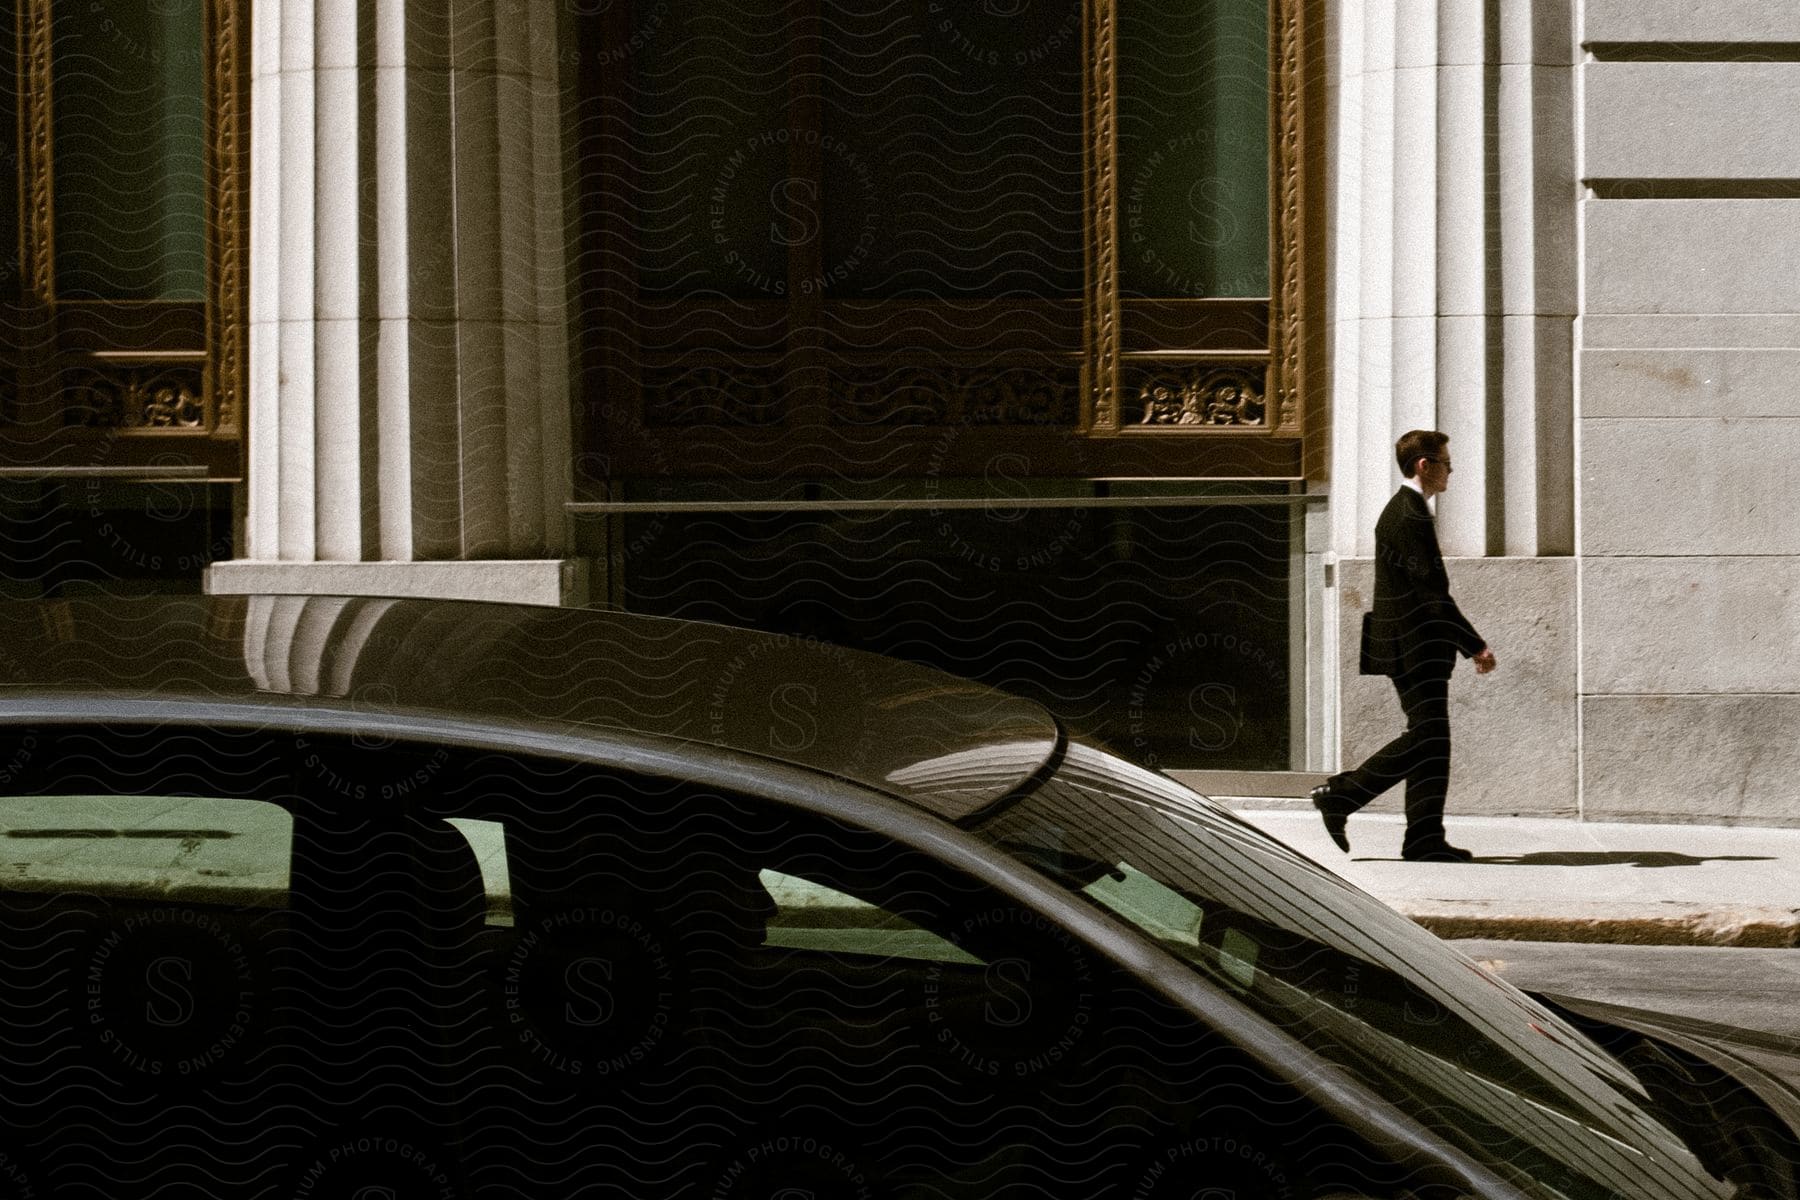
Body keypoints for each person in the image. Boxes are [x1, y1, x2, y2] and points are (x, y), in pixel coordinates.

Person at [1311, 430, 1496, 863]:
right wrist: (1474, 645)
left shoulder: (1410, 510)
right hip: (1414, 644)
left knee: (1433, 739)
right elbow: (1432, 591)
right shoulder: (1408, 514)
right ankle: (1342, 796)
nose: (1451, 471)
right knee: (1428, 736)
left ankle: (1424, 837)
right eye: (1446, 463)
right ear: (1423, 465)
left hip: (1414, 643)